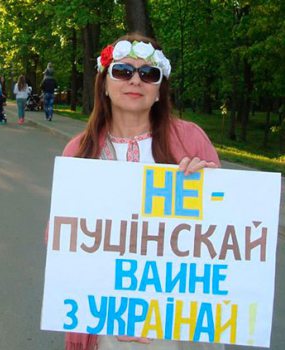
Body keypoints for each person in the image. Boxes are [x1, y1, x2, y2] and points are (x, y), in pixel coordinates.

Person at [61, 33, 221, 350]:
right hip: (109, 318)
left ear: (160, 91)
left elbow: (224, 236)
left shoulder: (192, 139)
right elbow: (64, 242)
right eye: (122, 71)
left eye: (149, 74)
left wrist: (214, 191)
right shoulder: (78, 150)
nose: (136, 80)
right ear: (104, 84)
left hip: (178, 318)